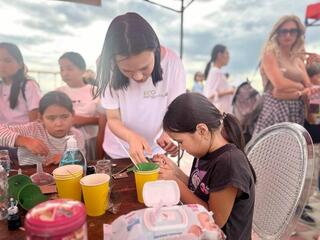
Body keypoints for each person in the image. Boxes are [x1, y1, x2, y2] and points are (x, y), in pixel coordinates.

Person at [154, 93, 256, 240]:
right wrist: (174, 172)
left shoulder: (229, 163)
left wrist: (176, 183)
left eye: (180, 142)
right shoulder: (205, 150)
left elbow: (214, 220)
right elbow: (199, 187)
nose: (181, 148)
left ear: (202, 130)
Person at [95, 12, 186, 163]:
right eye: (127, 71)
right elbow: (113, 118)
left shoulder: (172, 62)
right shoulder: (106, 66)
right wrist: (131, 137)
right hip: (119, 151)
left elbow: (176, 110)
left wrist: (169, 134)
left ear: (155, 50)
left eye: (144, 68)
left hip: (156, 152)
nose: (138, 77)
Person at [253, 15, 319, 135]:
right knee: (271, 150)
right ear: (276, 33)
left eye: (293, 31)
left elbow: (309, 86)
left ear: (298, 33)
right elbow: (280, 84)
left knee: (292, 150)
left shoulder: (297, 59)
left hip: (296, 110)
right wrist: (300, 88)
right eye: (283, 31)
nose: (288, 35)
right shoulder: (270, 55)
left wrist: (317, 62)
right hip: (275, 110)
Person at [0, 91, 85, 166]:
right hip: (29, 178)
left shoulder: (77, 135)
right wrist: (24, 140)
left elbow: (81, 160)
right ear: (40, 118)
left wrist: (67, 158)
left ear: (73, 115)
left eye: (65, 116)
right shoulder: (31, 130)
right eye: (51, 118)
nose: (59, 123)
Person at [56, 52, 103, 160]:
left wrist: (83, 120)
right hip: (65, 143)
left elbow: (105, 120)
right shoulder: (58, 93)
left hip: (91, 140)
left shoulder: (95, 91)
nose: (65, 73)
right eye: (62, 69)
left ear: (82, 70)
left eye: (70, 68)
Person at [0, 42, 42, 125]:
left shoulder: (28, 86)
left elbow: (35, 122)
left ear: (20, 64)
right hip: (4, 136)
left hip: (23, 136)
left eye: (7, 60)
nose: (1, 65)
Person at [203, 44, 235, 114]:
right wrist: (229, 91)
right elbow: (209, 95)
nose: (229, 56)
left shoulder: (217, 71)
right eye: (227, 53)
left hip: (222, 114)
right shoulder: (216, 72)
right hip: (219, 115)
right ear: (219, 55)